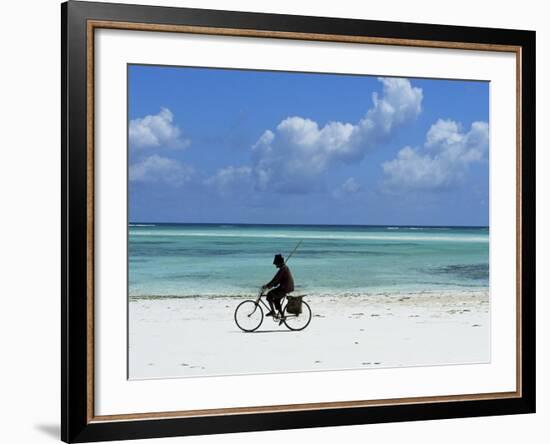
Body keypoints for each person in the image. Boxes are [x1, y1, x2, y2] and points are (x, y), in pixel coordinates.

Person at [262, 253, 295, 319]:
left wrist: (267, 286)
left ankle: (273, 311)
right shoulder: (283, 268)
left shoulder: (283, 269)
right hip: (285, 287)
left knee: (269, 295)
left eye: (276, 263)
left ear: (279, 263)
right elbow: (277, 281)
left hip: (285, 288)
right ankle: (282, 316)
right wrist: (270, 285)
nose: (275, 265)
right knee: (276, 300)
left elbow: (275, 280)